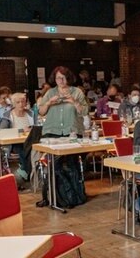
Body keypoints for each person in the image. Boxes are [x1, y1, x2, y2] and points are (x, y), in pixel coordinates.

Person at [37, 66, 89, 207]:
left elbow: (84, 111)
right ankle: (56, 196)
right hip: (52, 131)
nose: (60, 80)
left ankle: (74, 195)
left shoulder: (77, 92)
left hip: (71, 131)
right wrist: (48, 102)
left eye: (63, 77)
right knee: (54, 165)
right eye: (57, 77)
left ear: (68, 78)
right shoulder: (50, 92)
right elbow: (41, 112)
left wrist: (74, 102)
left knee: (72, 164)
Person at [0, 92, 34, 181]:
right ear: (14, 104)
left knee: (32, 149)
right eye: (18, 102)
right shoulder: (8, 115)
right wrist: (22, 130)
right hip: (14, 144)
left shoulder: (31, 113)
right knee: (24, 149)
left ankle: (25, 170)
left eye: (23, 101)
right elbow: (2, 131)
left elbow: (37, 127)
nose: (21, 104)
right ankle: (26, 171)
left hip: (30, 141)